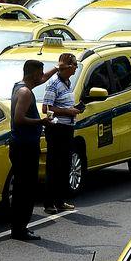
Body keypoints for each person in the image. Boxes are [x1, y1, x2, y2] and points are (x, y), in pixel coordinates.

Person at [10, 60, 57, 240]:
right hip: (24, 146)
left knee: (23, 188)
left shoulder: (19, 86)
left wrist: (58, 68)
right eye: (40, 74)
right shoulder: (25, 93)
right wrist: (42, 122)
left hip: (22, 144)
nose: (42, 77)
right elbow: (19, 118)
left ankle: (18, 227)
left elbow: (43, 78)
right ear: (34, 74)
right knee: (26, 189)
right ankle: (19, 229)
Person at [42, 53, 80, 215]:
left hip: (67, 128)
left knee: (65, 165)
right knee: (54, 166)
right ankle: (49, 202)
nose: (76, 69)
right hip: (57, 129)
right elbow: (46, 108)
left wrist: (73, 110)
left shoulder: (67, 82)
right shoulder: (53, 83)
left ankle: (60, 200)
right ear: (68, 66)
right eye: (74, 65)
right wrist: (67, 111)